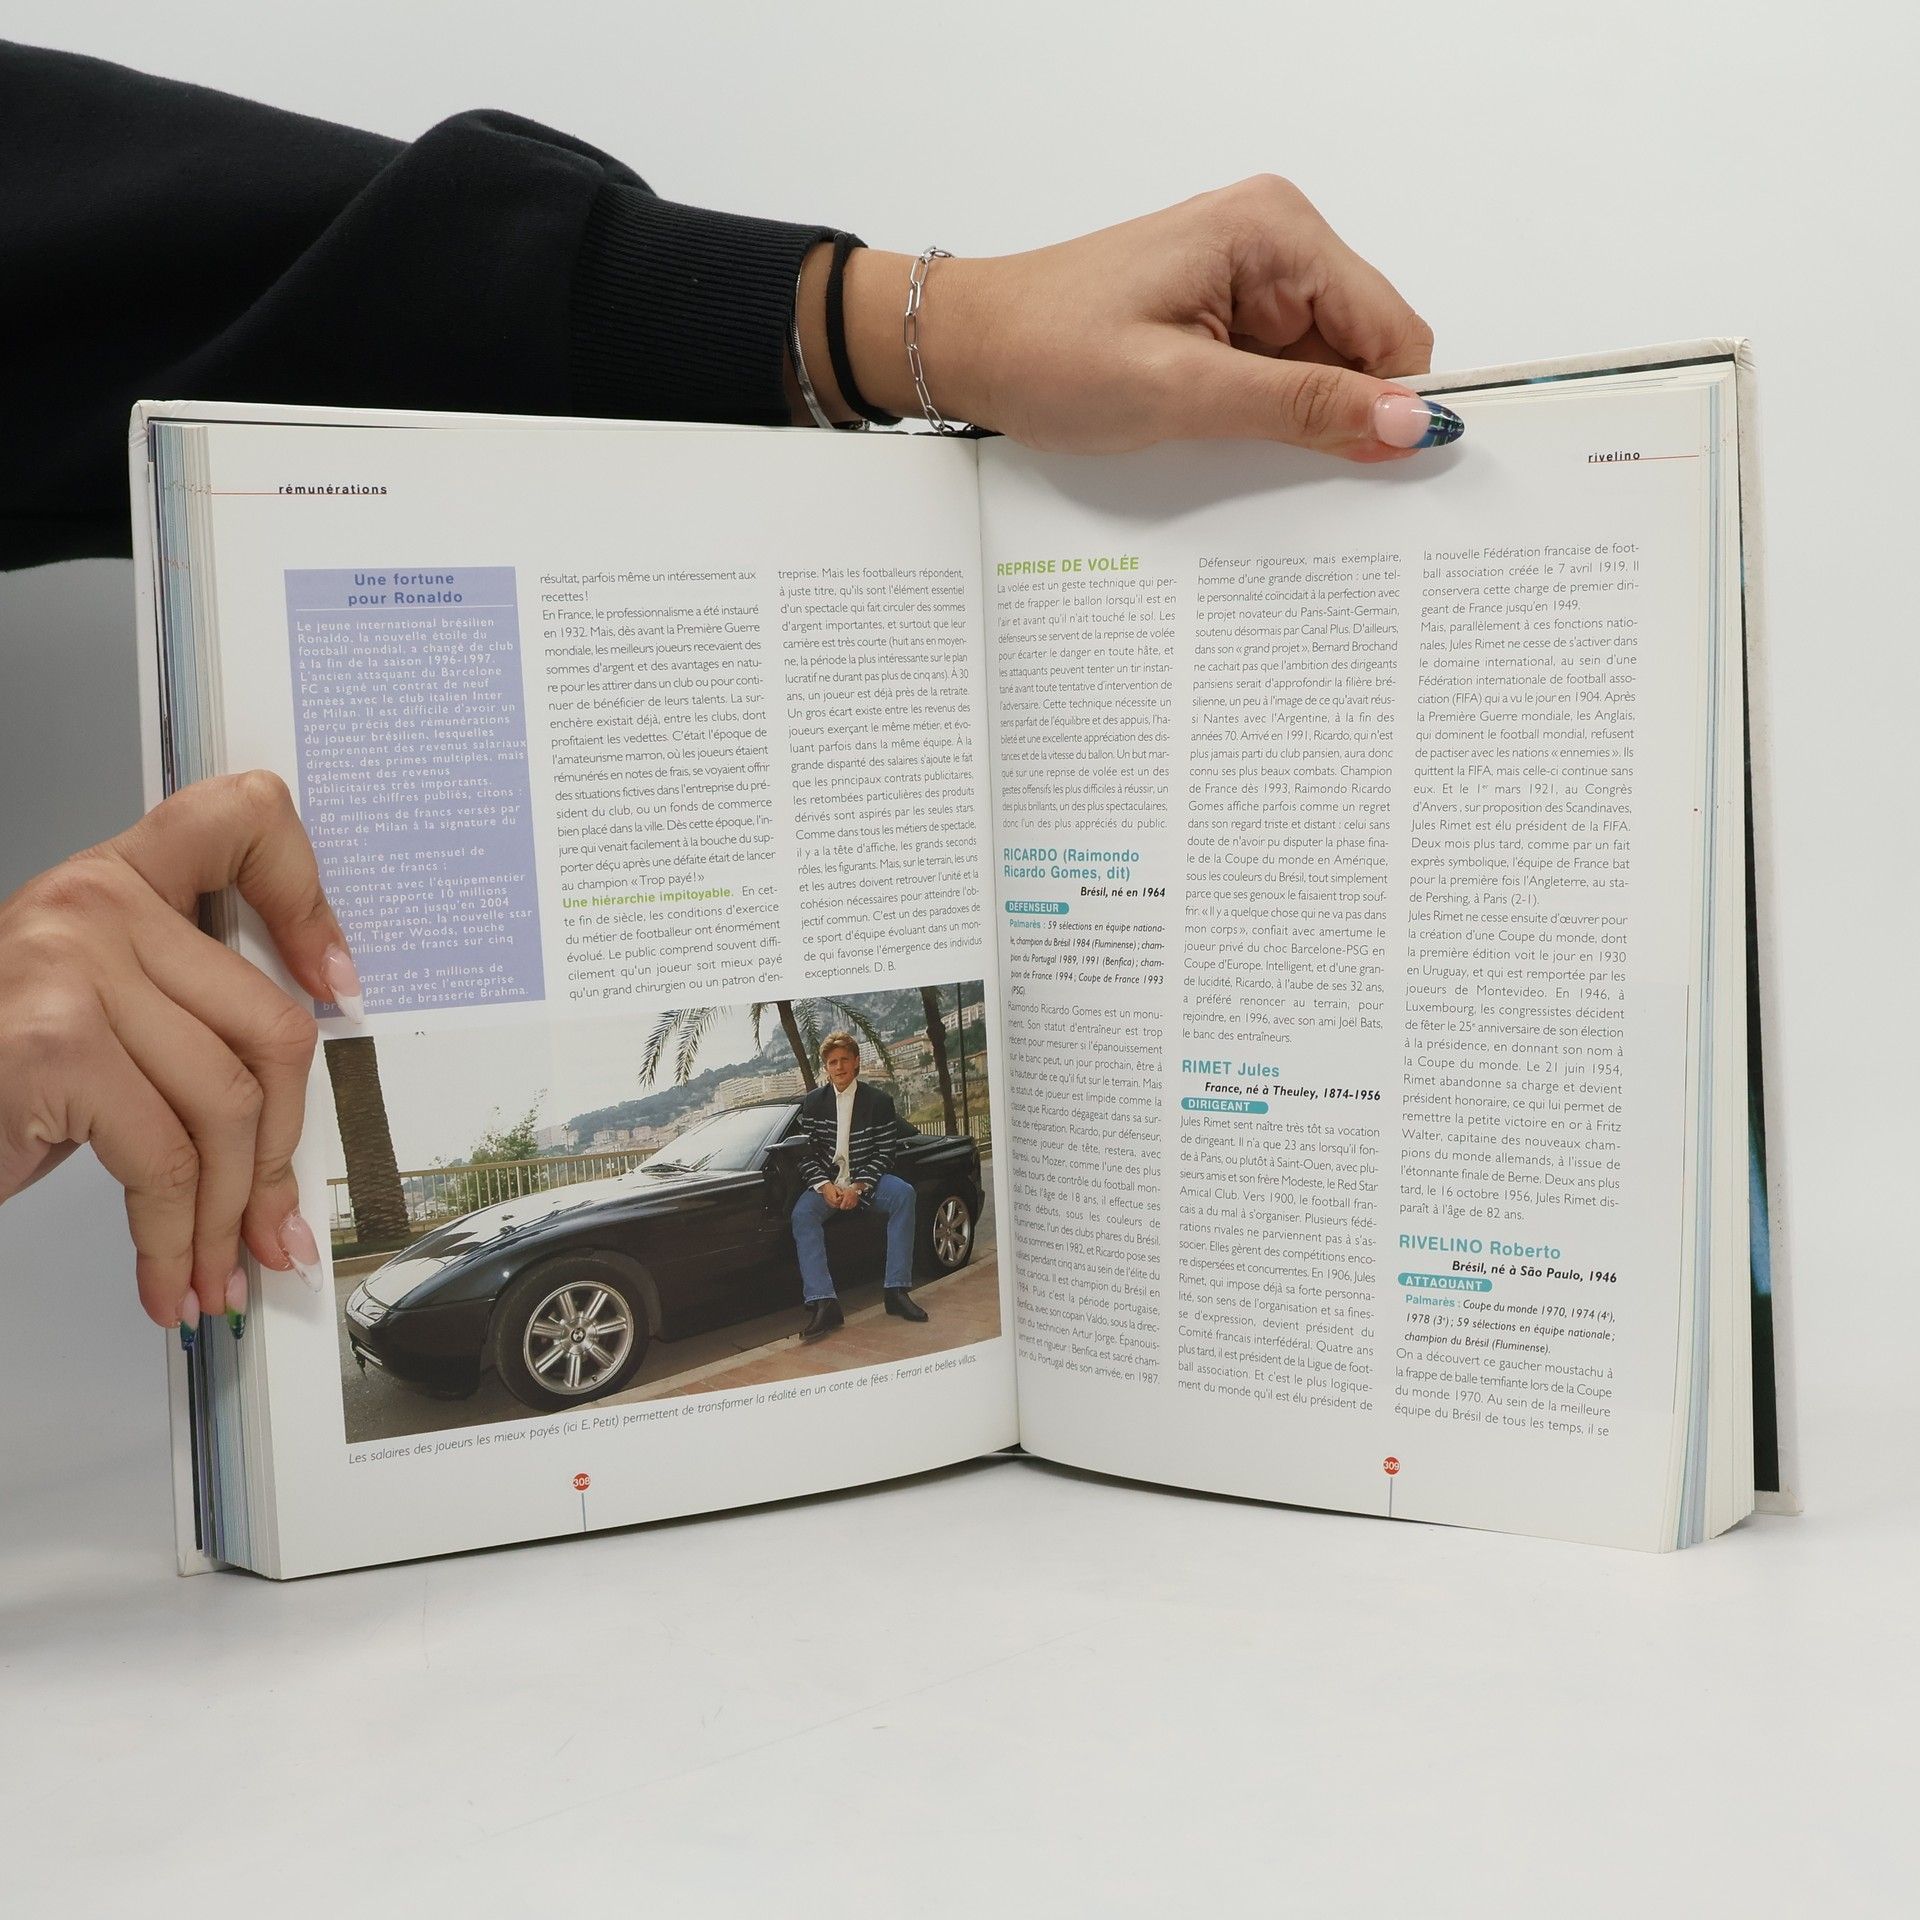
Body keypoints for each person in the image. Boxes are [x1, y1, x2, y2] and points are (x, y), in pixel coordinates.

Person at [0, 40, 1458, 1340]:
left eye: (844, 1048)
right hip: (794, 1197)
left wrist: (932, 326)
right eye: (840, 1048)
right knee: (826, 1214)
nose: (843, 1054)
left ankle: (884, 1292)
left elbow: (230, 259)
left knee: (877, 1207)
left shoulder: (869, 1108)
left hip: (870, 1186)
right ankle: (835, 1304)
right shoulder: (776, 1122)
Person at [788, 1034, 921, 1343]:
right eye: (832, 1062)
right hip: (829, 1185)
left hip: (866, 1182)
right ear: (826, 1067)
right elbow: (805, 1154)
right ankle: (824, 1303)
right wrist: (823, 1186)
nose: (839, 1067)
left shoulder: (879, 1101)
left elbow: (886, 1153)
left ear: (856, 1061)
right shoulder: (813, 1102)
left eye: (844, 1060)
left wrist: (859, 1186)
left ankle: (896, 1291)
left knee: (904, 1194)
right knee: (802, 1214)